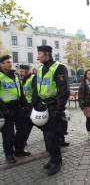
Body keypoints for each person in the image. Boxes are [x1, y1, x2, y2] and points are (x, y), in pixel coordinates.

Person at [34, 45, 70, 175]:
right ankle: (52, 158)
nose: (37, 56)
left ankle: (57, 160)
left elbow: (64, 90)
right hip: (43, 106)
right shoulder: (40, 69)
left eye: (39, 54)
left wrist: (59, 110)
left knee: (52, 136)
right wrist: (36, 104)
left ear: (47, 54)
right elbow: (36, 89)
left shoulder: (58, 68)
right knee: (46, 134)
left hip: (54, 106)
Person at [0, 55, 31, 164]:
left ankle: (19, 149)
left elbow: (20, 91)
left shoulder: (15, 75)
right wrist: (3, 109)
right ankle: (9, 153)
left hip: (17, 106)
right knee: (8, 133)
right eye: (7, 62)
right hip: (5, 107)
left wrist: (25, 104)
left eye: (11, 62)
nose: (10, 64)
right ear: (1, 64)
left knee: (23, 129)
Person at [19, 65, 40, 145]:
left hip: (32, 105)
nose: (20, 73)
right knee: (29, 123)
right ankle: (23, 141)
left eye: (22, 71)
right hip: (26, 106)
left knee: (31, 123)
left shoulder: (33, 78)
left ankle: (23, 141)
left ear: (27, 71)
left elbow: (35, 92)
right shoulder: (22, 80)